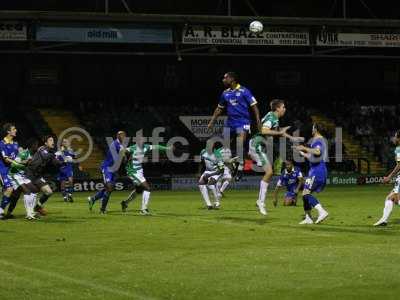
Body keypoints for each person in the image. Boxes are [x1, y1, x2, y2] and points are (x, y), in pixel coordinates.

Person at [249, 99, 303, 216]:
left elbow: (279, 131)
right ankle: (260, 202)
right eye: (283, 107)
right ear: (277, 108)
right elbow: (264, 130)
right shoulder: (272, 118)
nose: (284, 109)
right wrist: (279, 132)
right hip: (257, 144)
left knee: (269, 172)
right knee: (269, 172)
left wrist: (292, 138)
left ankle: (260, 201)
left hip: (258, 145)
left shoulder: (273, 117)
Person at [208, 72, 261, 181]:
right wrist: (212, 121)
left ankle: (240, 168)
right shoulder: (225, 93)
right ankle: (230, 166)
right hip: (230, 122)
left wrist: (258, 121)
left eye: (225, 78)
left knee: (239, 144)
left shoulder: (244, 91)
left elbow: (254, 106)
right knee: (225, 147)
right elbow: (219, 109)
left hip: (243, 121)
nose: (223, 80)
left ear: (231, 79)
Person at [121, 139, 171, 215]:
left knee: (139, 190)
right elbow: (123, 150)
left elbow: (156, 146)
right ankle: (143, 209)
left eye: (142, 141)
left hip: (139, 171)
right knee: (147, 188)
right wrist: (124, 156)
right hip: (133, 172)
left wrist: (167, 148)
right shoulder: (133, 148)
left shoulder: (146, 147)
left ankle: (125, 203)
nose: (141, 142)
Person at [25, 135, 69, 216]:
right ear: (45, 143)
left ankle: (37, 207)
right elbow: (45, 156)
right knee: (29, 192)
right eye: (50, 140)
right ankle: (30, 213)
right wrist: (58, 153)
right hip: (30, 173)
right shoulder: (42, 149)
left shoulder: (51, 153)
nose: (53, 142)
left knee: (49, 192)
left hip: (37, 175)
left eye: (53, 140)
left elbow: (56, 163)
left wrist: (64, 162)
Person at [294, 124, 329, 225]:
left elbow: (317, 152)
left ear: (316, 129)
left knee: (306, 193)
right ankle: (308, 218)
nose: (311, 129)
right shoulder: (317, 140)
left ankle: (322, 211)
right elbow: (313, 156)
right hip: (315, 170)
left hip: (317, 171)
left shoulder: (319, 140)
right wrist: (302, 152)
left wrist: (304, 148)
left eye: (313, 127)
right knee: (305, 194)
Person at [88, 131, 126, 214]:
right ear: (117, 136)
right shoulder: (114, 144)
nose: (123, 137)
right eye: (121, 135)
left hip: (114, 170)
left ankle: (93, 199)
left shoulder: (121, 145)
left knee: (109, 189)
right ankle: (102, 210)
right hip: (107, 168)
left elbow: (122, 159)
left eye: (124, 135)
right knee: (109, 187)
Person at [373, 130, 400, 226]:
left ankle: (384, 220)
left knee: (394, 199)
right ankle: (384, 220)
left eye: (395, 136)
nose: (394, 138)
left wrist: (389, 177)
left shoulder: (398, 149)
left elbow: (399, 165)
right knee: (390, 198)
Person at [0, 123, 20, 219]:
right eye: (14, 129)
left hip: (12, 171)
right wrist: (16, 163)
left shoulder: (16, 144)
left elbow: (18, 158)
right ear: (8, 131)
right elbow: (6, 159)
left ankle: (4, 212)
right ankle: (1, 211)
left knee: (14, 191)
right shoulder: (2, 143)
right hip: (3, 170)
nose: (15, 130)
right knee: (9, 189)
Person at [198, 142, 225, 209]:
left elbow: (222, 169)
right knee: (201, 185)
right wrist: (199, 172)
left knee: (210, 184)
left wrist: (210, 174)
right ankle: (209, 205)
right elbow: (201, 163)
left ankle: (217, 202)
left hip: (216, 172)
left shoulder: (217, 154)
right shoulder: (203, 152)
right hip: (207, 171)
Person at [56, 138, 76, 203]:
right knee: (63, 184)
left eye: (66, 142)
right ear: (62, 143)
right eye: (64, 142)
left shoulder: (71, 150)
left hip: (69, 168)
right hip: (62, 169)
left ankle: (70, 195)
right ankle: (65, 197)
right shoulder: (59, 151)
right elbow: (56, 159)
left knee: (70, 181)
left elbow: (74, 158)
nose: (65, 143)